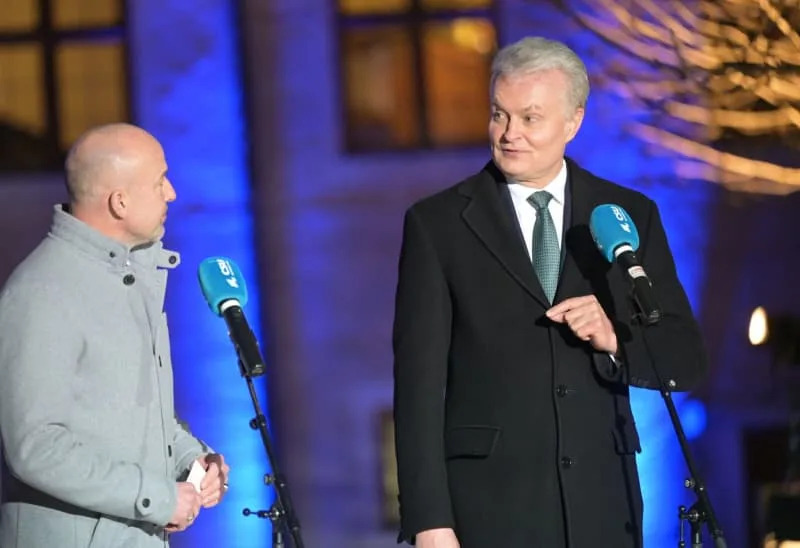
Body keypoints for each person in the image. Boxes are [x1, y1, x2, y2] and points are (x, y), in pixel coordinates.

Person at [392, 36, 708, 547]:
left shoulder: (626, 215)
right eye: (500, 115)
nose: (509, 133)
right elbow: (417, 388)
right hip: (489, 507)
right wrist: (429, 520)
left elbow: (684, 358)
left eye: (530, 118)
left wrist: (614, 336)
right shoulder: (438, 224)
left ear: (573, 122)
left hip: (603, 505)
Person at [0, 123, 230, 547]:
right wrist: (157, 498)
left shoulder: (132, 279)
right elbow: (35, 446)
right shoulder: (42, 292)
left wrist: (189, 459)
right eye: (160, 181)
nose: (172, 193)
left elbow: (134, 417)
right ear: (120, 202)